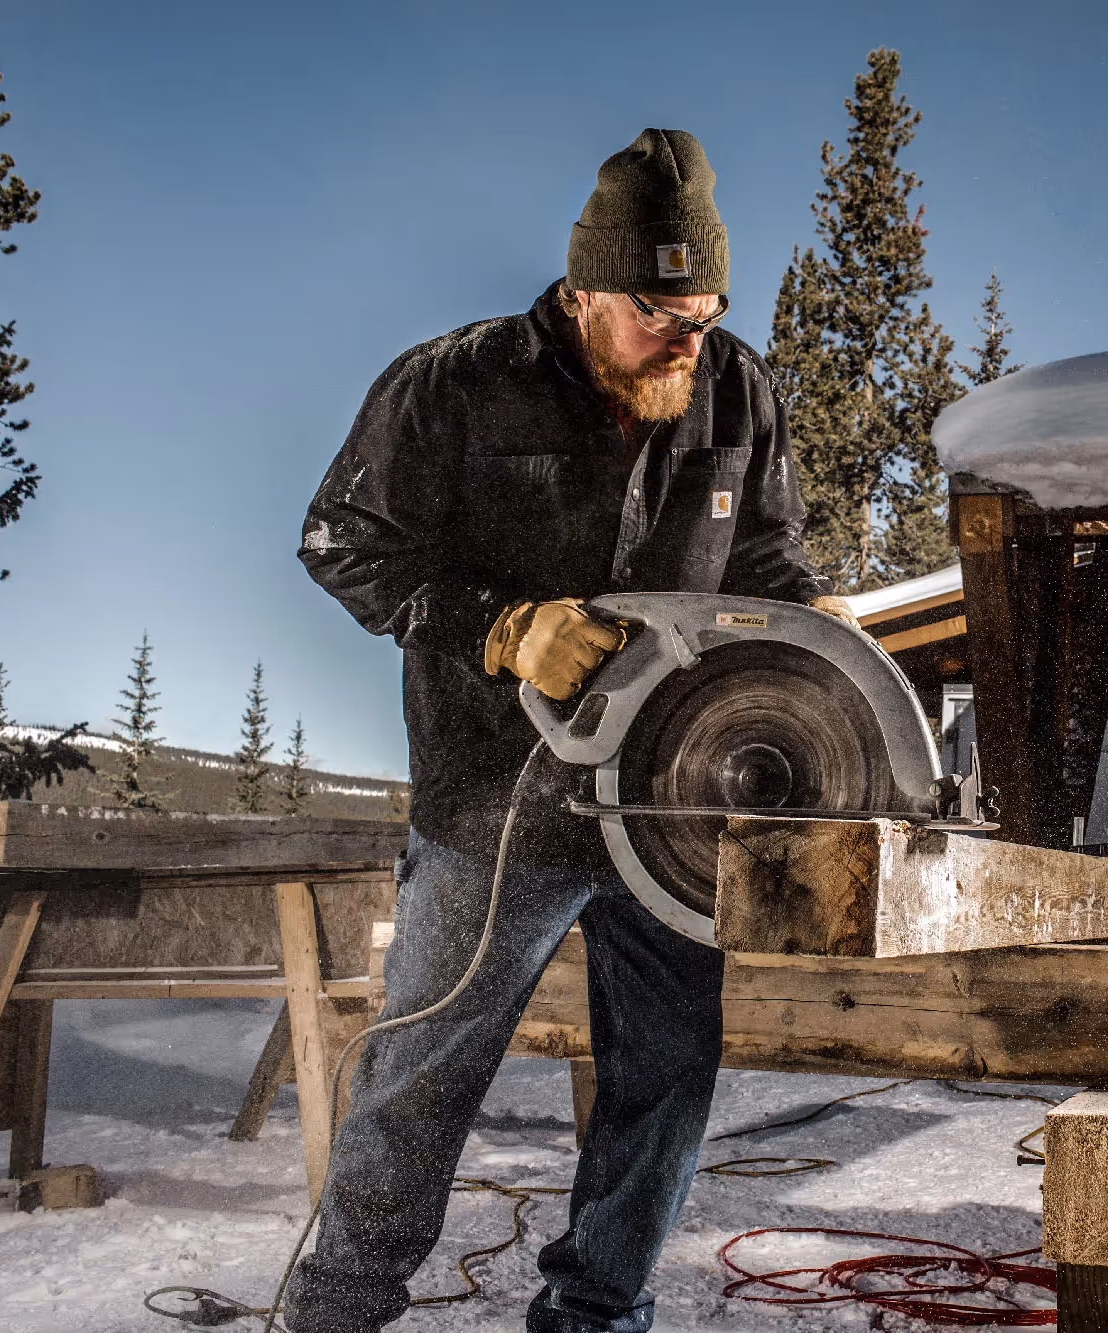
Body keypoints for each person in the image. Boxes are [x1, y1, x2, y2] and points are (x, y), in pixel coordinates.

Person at [287, 128, 852, 1333]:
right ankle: (336, 1310)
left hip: (672, 820)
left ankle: (596, 1313)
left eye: (705, 313)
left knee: (666, 1081)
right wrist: (502, 630)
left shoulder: (735, 387)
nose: (686, 341)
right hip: (498, 810)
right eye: (660, 314)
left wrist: (808, 630)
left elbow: (766, 560)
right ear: (586, 288)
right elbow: (342, 544)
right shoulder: (453, 382)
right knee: (423, 1074)